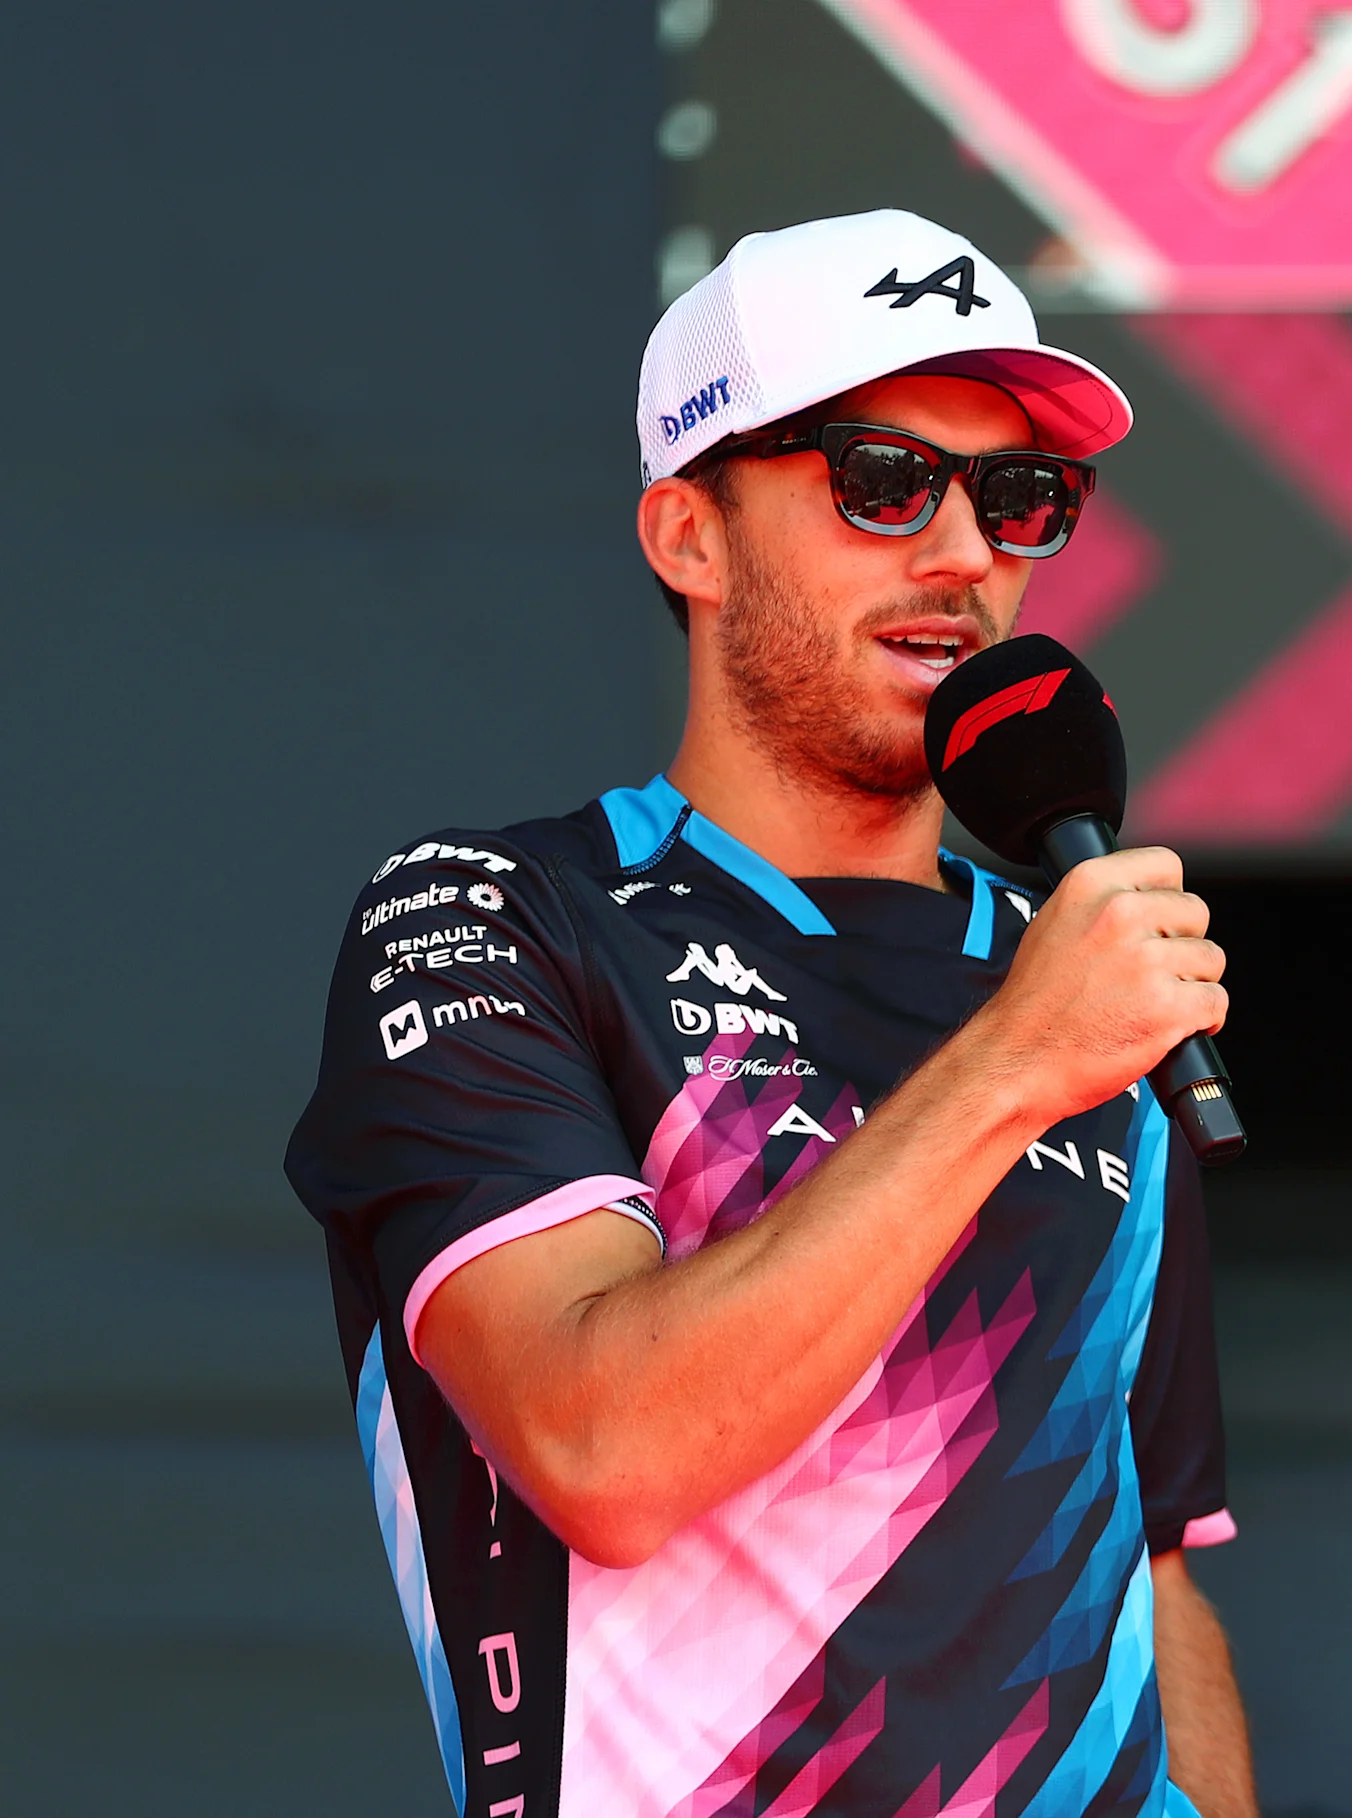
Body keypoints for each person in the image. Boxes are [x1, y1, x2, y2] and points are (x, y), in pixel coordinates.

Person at [286, 210, 1256, 1818]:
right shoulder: (494, 915)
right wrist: (1018, 1064)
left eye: (1019, 500)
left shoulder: (1082, 988)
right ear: (690, 536)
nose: (961, 554)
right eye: (883, 480)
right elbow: (603, 1448)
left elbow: (1146, 1582)